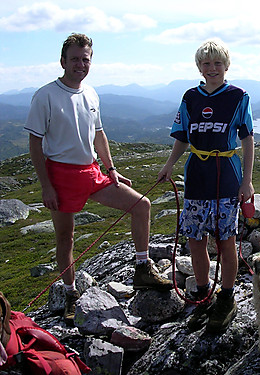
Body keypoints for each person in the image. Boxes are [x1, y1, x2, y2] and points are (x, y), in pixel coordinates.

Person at [24, 33, 172, 324]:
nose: (80, 64)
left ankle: (142, 269)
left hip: (91, 171)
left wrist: (112, 168)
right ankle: (70, 294)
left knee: (141, 206)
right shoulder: (45, 95)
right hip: (61, 175)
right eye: (75, 58)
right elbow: (34, 143)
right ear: (63, 61)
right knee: (65, 237)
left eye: (85, 59)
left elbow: (99, 133)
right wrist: (46, 186)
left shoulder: (91, 93)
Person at [157, 39, 254, 333]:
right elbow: (182, 136)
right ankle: (202, 294)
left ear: (227, 65)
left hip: (226, 176)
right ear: (199, 67)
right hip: (196, 177)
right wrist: (169, 163)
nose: (212, 69)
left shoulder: (239, 96)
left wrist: (247, 181)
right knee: (196, 240)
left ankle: (225, 297)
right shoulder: (190, 97)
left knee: (226, 240)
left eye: (217, 63)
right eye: (206, 64)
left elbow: (247, 139)